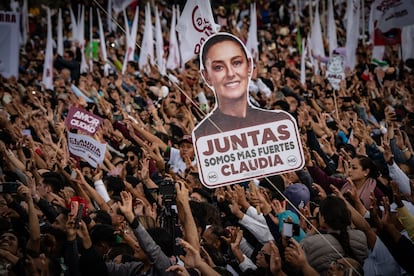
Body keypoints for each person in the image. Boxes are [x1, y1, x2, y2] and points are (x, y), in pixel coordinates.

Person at [193, 32, 293, 137]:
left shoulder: (275, 123)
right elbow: (204, 108)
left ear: (249, 65)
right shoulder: (204, 133)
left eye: (236, 63)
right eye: (218, 67)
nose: (230, 74)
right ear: (206, 76)